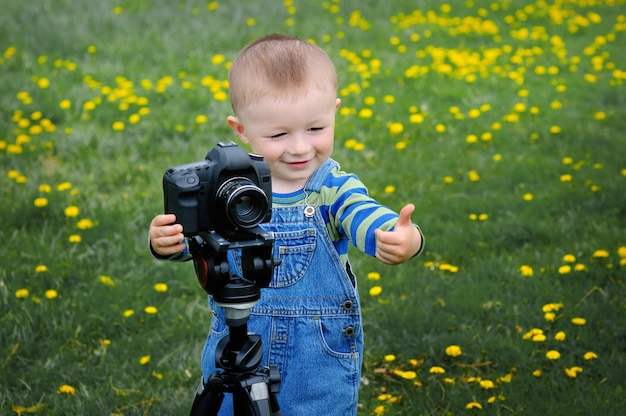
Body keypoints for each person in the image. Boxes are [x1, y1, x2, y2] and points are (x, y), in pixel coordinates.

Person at [149, 34, 423, 415]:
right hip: (236, 346)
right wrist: (168, 241)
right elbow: (197, 242)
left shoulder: (330, 188)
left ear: (335, 113)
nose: (299, 147)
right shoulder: (227, 189)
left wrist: (399, 236)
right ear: (241, 130)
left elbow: (365, 215)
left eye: (315, 129)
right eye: (279, 134)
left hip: (318, 362)